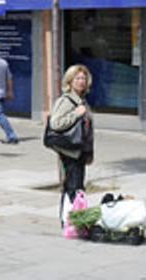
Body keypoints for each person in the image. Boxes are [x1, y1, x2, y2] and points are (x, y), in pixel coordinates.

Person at [49, 63, 94, 226]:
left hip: (79, 152)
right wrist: (76, 113)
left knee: (77, 187)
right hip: (69, 152)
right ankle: (69, 222)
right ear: (70, 81)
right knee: (72, 187)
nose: (81, 81)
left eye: (84, 78)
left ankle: (75, 221)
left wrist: (89, 154)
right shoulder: (66, 100)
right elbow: (55, 123)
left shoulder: (82, 100)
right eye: (78, 78)